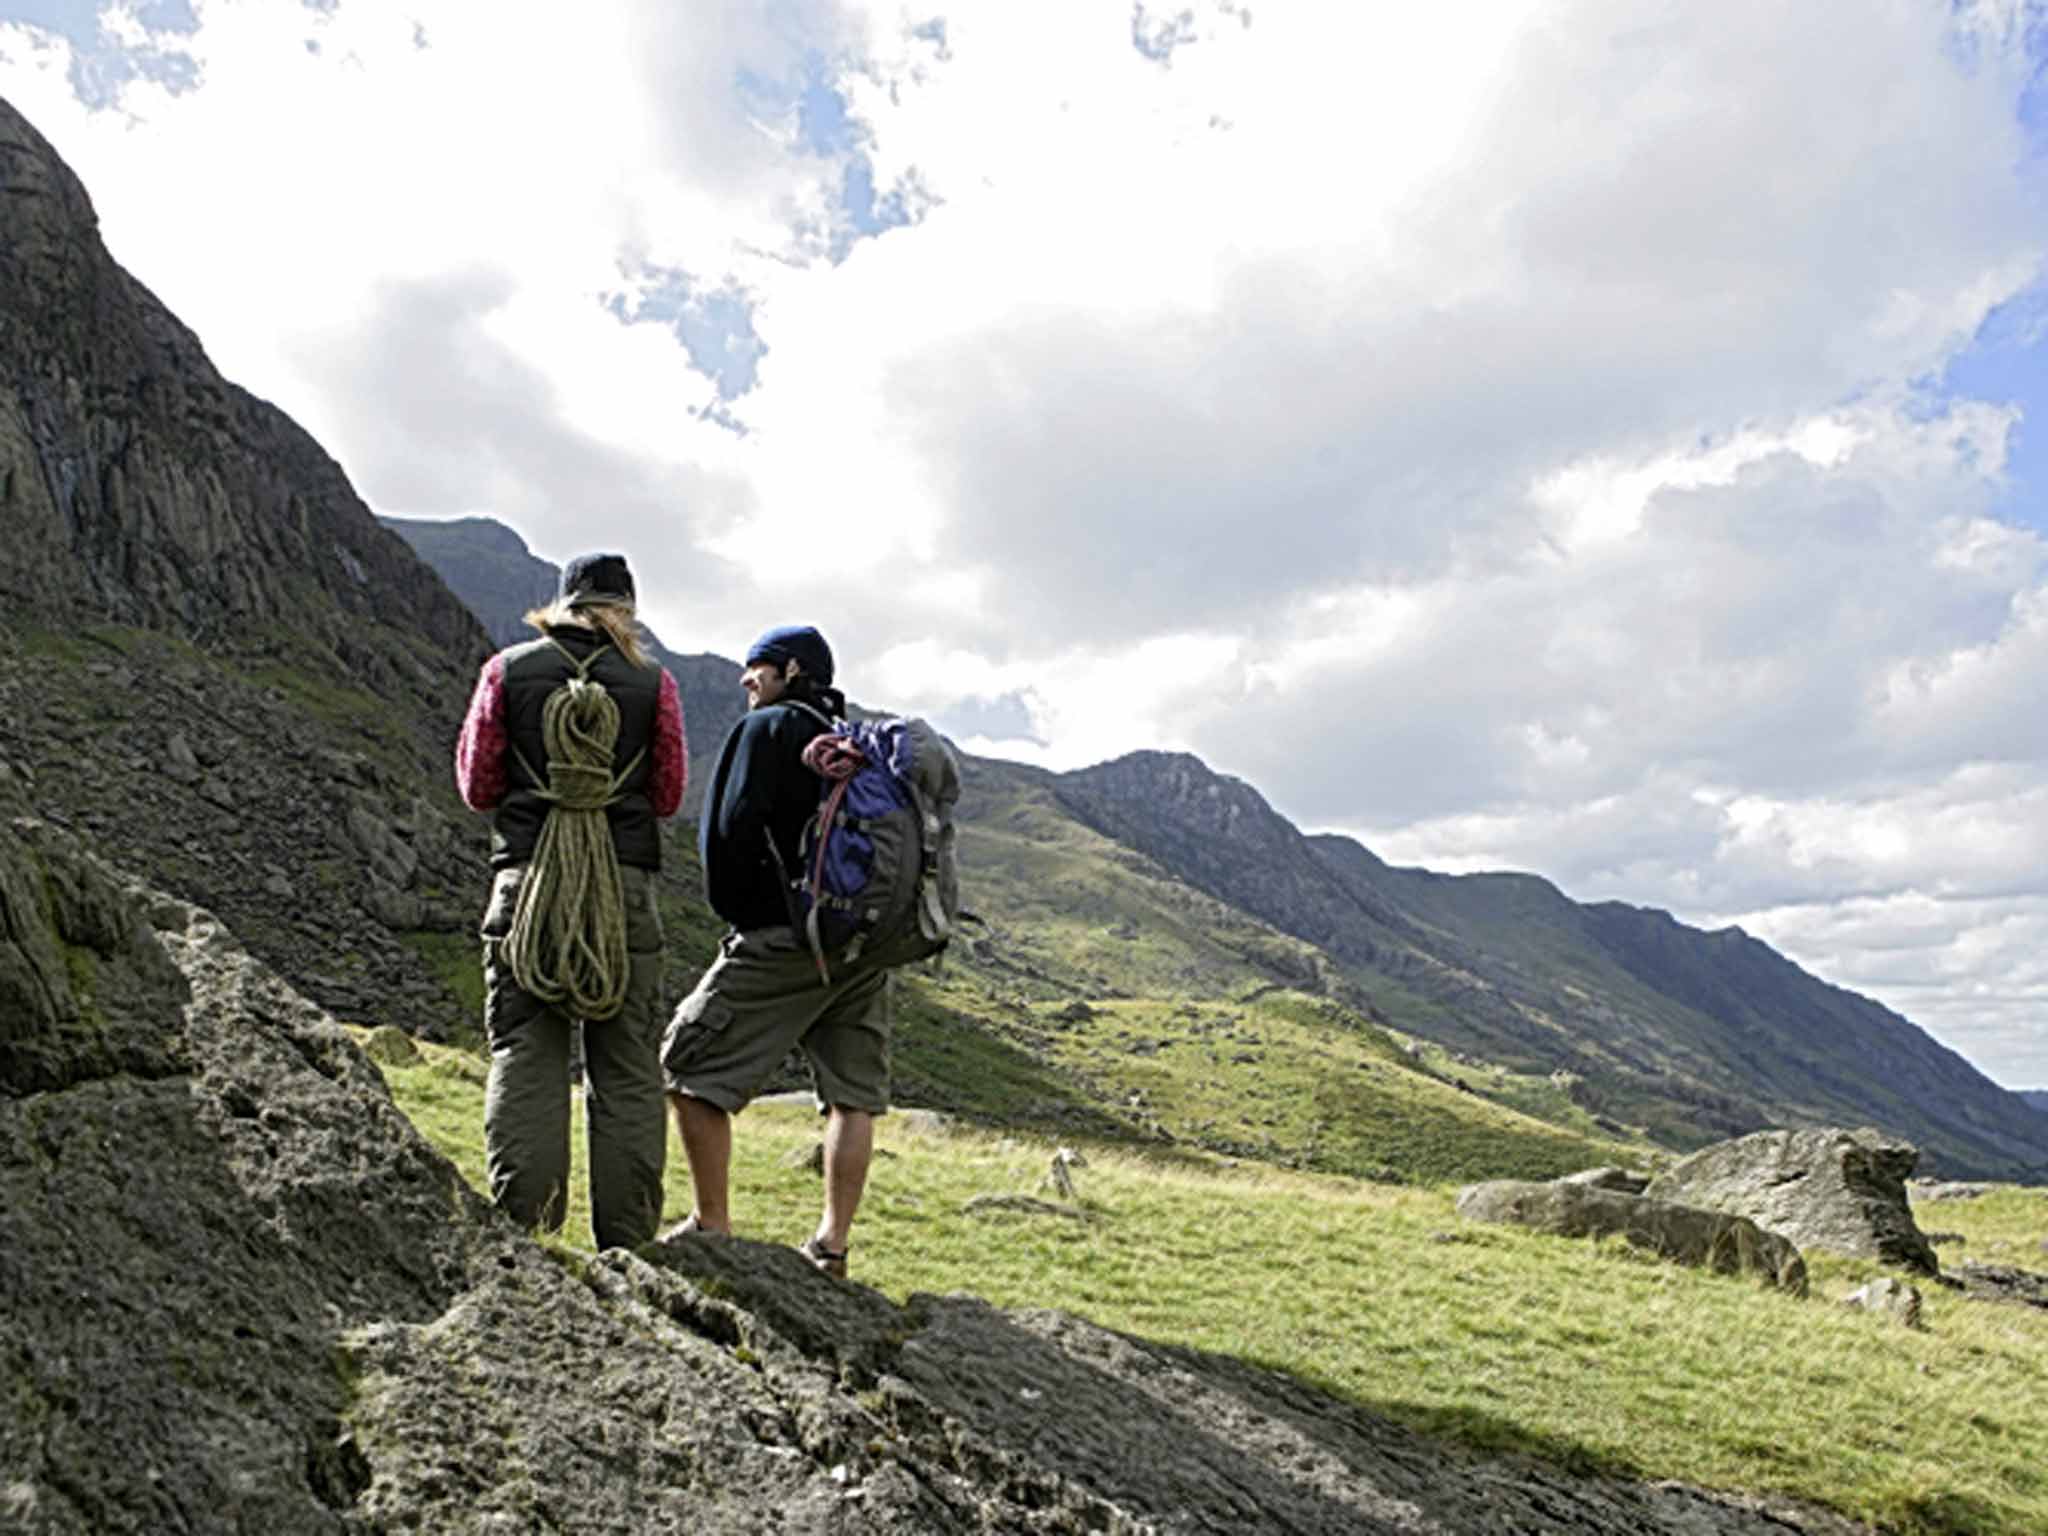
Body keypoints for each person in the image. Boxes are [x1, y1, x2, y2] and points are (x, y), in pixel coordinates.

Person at [454, 552, 686, 1250]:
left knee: (527, 1050)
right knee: (626, 1063)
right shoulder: (654, 684)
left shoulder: (507, 670)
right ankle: (629, 1249)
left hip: (528, 885)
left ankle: (529, 1238)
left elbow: (478, 784)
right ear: (626, 610)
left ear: (565, 603)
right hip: (623, 890)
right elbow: (668, 793)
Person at [660, 624, 887, 1278]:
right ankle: (832, 1246)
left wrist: (745, 916)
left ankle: (712, 1225)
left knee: (688, 1064)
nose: (745, 678)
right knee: (852, 1097)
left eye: (756, 666)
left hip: (785, 938)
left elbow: (729, 830)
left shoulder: (770, 729)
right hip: (861, 944)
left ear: (790, 669)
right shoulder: (852, 744)